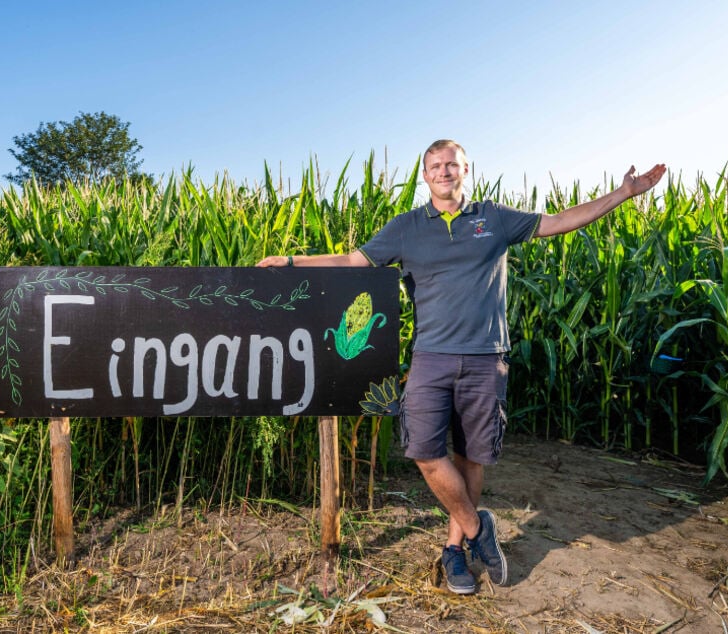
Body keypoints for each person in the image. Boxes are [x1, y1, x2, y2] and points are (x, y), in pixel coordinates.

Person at [257, 139, 666, 594]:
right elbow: (354, 261)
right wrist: (293, 262)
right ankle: (477, 529)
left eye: (452, 164)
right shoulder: (406, 228)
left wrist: (623, 194)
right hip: (430, 358)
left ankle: (454, 551)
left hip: (486, 357)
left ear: (466, 170)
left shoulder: (493, 219)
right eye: (434, 166)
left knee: (472, 456)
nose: (443, 171)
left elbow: (561, 221)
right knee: (425, 454)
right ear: (425, 175)